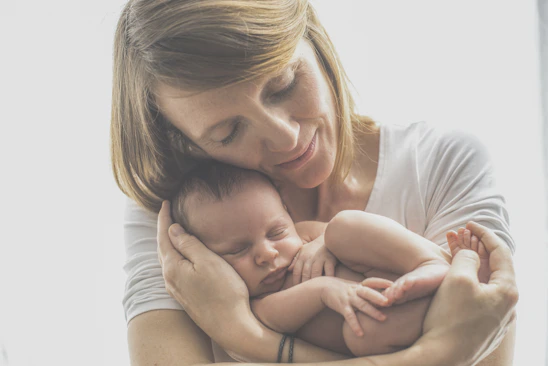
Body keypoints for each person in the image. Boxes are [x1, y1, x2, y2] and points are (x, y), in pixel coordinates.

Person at [111, 0, 518, 364]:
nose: (285, 136)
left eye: (285, 83)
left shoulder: (439, 163)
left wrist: (246, 336)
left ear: (315, 38)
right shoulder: (181, 218)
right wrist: (438, 353)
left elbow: (482, 336)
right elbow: (459, 341)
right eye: (228, 132)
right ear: (185, 142)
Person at [169, 161, 464, 356]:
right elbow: (272, 317)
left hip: (396, 277)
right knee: (363, 333)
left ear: (287, 211)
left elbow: (354, 240)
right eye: (237, 250)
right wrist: (324, 289)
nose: (267, 253)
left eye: (276, 231)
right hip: (392, 327)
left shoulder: (305, 234)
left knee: (344, 227)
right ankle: (434, 298)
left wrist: (324, 242)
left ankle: (430, 263)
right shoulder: (252, 306)